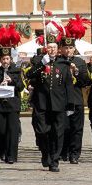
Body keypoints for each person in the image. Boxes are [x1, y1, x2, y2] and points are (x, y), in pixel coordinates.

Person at [26, 34, 75, 172]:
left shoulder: (63, 64)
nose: (52, 50)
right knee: (42, 131)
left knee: (58, 133)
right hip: (42, 103)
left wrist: (70, 104)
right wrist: (42, 63)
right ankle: (45, 153)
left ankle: (54, 160)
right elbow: (29, 75)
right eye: (49, 47)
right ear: (46, 48)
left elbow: (68, 85)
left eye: (54, 47)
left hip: (58, 104)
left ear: (58, 49)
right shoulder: (40, 62)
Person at [0, 46, 24, 164]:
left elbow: (21, 86)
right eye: (3, 59)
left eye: (7, 59)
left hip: (13, 105)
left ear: (10, 59)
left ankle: (12, 155)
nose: (5, 61)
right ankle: (3, 151)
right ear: (0, 59)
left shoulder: (16, 70)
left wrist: (12, 81)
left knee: (13, 131)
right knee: (1, 130)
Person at [59, 35, 89, 164]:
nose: (68, 50)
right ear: (61, 49)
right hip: (62, 101)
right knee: (64, 127)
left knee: (77, 128)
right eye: (65, 47)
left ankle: (75, 154)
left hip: (76, 101)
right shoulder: (58, 62)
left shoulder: (80, 62)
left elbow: (85, 82)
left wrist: (76, 72)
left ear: (74, 49)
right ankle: (63, 152)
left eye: (70, 47)